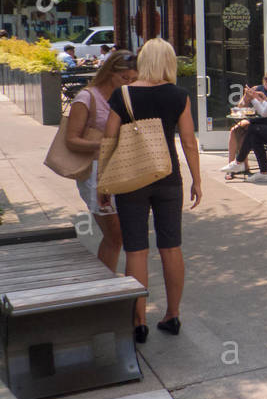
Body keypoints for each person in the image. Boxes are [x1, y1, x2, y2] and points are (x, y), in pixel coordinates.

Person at [99, 38, 201, 343]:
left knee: (136, 249)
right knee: (171, 247)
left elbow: (109, 139)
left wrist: (104, 181)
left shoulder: (123, 94)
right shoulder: (179, 95)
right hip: (168, 177)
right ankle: (172, 315)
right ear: (169, 62)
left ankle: (139, 320)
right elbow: (189, 141)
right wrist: (197, 179)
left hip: (131, 178)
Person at [64, 49, 137, 271]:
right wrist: (105, 144)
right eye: (124, 78)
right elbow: (71, 140)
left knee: (118, 237)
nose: (128, 83)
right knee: (115, 236)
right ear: (109, 73)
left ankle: (106, 286)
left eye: (134, 79)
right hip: (96, 172)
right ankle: (104, 287)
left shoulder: (125, 97)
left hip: (122, 169)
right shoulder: (87, 97)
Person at [223, 71, 267, 177]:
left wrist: (259, 99)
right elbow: (240, 107)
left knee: (246, 133)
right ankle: (231, 167)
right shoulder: (256, 89)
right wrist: (246, 97)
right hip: (253, 120)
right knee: (235, 131)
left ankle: (243, 165)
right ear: (263, 79)